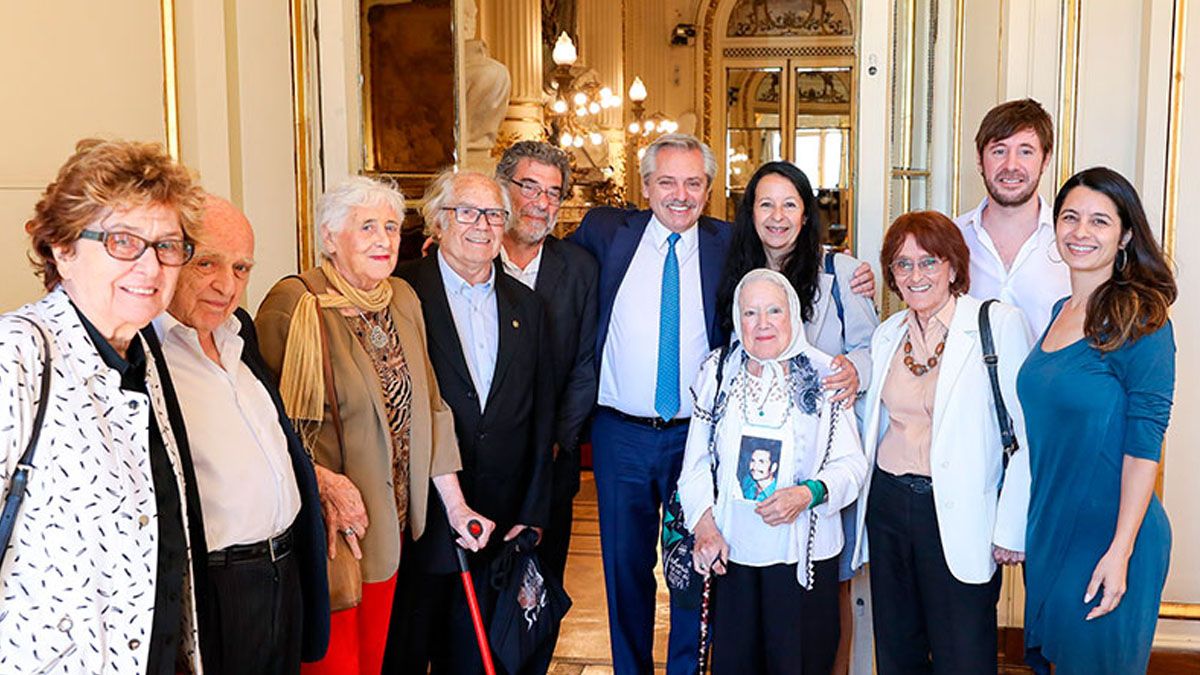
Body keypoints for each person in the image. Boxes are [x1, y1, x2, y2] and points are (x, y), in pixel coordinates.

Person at [256, 176, 484, 675]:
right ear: (329, 236)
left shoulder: (401, 298)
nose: (384, 239)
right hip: (336, 531)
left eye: (390, 226)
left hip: (396, 527)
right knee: (338, 665)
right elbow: (268, 426)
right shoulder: (296, 305)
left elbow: (431, 405)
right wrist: (325, 485)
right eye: (366, 227)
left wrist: (456, 503)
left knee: (382, 658)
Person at [0, 138, 207, 673]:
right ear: (62, 249)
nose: (151, 266)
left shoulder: (142, 355)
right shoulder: (18, 353)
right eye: (122, 241)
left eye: (167, 245)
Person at [568, 133, 732, 675]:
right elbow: (541, 252)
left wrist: (846, 271)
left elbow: (791, 254)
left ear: (708, 190)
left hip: (696, 439)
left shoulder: (729, 244)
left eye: (693, 183)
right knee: (624, 568)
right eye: (667, 182)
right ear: (645, 187)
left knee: (692, 568)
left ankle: (688, 669)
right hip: (621, 434)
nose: (680, 195)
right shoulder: (604, 232)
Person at [386, 169, 553, 674]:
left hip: (499, 524)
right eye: (468, 212)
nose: (483, 225)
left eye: (494, 214)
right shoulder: (399, 294)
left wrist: (533, 510)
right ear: (438, 220)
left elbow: (542, 412)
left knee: (480, 660)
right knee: (408, 654)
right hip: (421, 518)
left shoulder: (527, 304)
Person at [714, 160, 878, 674]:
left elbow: (874, 349)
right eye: (766, 204)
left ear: (807, 214)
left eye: (790, 204)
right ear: (750, 213)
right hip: (747, 464)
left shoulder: (843, 272)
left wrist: (852, 370)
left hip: (820, 453)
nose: (778, 216)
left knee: (819, 600)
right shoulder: (730, 267)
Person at [851, 210, 1032, 674]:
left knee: (963, 654)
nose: (916, 275)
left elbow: (1026, 435)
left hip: (958, 512)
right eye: (902, 264)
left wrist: (1010, 527)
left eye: (928, 262)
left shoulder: (998, 325)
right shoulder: (888, 334)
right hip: (889, 507)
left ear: (953, 266)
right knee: (898, 649)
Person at [156, 194, 329, 672]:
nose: (225, 285)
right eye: (207, 262)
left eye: (241, 268)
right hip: (219, 587)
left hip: (286, 571)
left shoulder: (240, 332)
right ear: (169, 255)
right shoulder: (144, 355)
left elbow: (268, 441)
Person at [1017, 168, 1177, 675]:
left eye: (1099, 221)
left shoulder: (1143, 318)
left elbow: (1144, 443)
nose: (1081, 232)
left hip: (1111, 533)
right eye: (1070, 218)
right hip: (1051, 524)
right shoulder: (1060, 310)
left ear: (1125, 234)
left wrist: (1120, 551)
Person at [680, 268, 867, 675]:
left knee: (799, 662)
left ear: (794, 315)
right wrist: (705, 525)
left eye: (774, 311)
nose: (762, 324)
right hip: (733, 556)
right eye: (750, 313)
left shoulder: (826, 374)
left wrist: (810, 493)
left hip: (803, 560)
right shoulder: (717, 373)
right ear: (736, 318)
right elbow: (693, 466)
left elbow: (852, 466)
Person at [495, 140, 599, 670]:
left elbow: (586, 366)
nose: (540, 202)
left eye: (553, 193)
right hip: (476, 466)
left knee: (540, 589)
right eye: (528, 187)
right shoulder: (469, 257)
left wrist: (558, 443)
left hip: (550, 465)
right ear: (503, 188)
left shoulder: (578, 268)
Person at [955, 98, 1070, 336]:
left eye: (1025, 152)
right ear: (979, 159)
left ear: (1046, 159)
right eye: (999, 151)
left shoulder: (1073, 243)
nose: (1011, 165)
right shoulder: (952, 238)